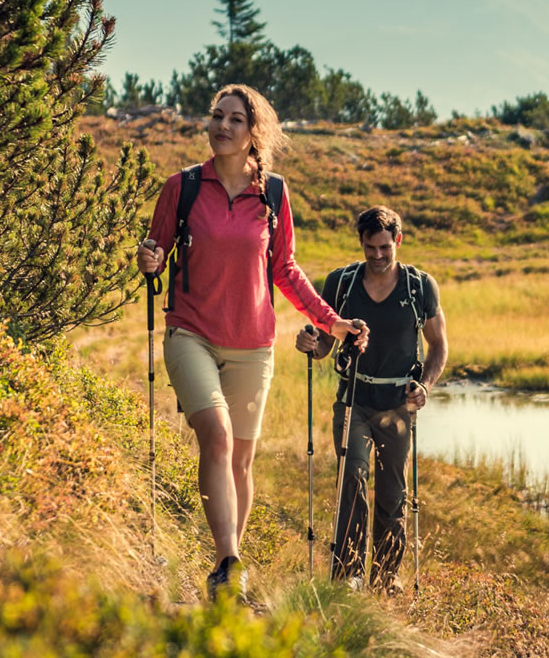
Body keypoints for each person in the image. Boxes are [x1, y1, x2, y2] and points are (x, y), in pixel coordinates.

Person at [137, 84, 368, 599]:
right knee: (216, 436)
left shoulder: (274, 195)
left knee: (240, 461)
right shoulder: (183, 187)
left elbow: (285, 269)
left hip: (253, 343)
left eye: (234, 119)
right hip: (190, 332)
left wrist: (333, 323)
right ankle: (229, 560)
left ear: (253, 131)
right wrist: (148, 258)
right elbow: (155, 248)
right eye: (216, 116)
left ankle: (228, 576)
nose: (221, 126)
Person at [295, 205, 449, 594]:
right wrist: (311, 345)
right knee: (353, 480)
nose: (378, 256)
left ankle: (385, 577)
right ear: (360, 243)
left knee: (394, 494)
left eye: (384, 248)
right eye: (370, 248)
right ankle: (348, 577)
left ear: (398, 241)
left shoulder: (419, 286)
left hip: (398, 405)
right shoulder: (341, 283)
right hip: (354, 400)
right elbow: (325, 345)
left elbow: (438, 346)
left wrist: (425, 386)